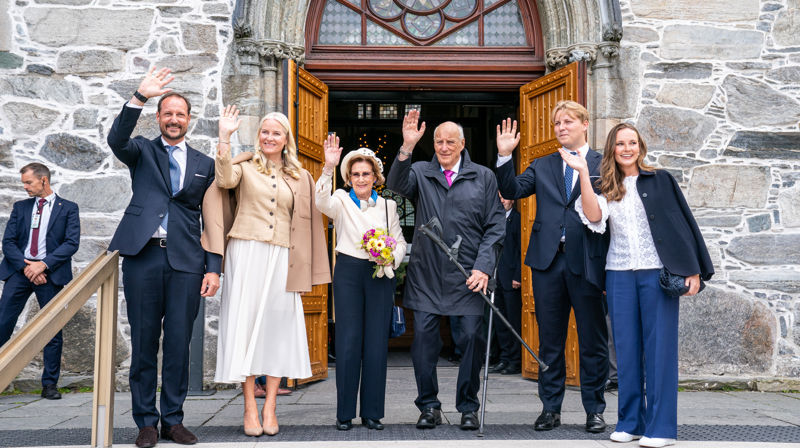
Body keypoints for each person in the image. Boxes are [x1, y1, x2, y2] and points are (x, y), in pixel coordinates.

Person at [567, 123, 713, 448]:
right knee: (626, 351)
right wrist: (582, 173)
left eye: (632, 142)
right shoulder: (604, 185)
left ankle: (661, 428)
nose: (627, 148)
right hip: (618, 274)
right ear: (612, 149)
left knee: (659, 351)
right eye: (620, 143)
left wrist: (692, 270)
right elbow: (593, 217)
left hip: (656, 274)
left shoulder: (660, 180)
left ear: (640, 147)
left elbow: (682, 224)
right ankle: (631, 422)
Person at [107, 66, 221, 448]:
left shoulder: (205, 164)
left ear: (189, 120)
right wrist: (139, 95)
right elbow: (116, 138)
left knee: (178, 344)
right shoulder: (141, 151)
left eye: (180, 114)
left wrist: (214, 268)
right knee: (143, 343)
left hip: (186, 263)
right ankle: (146, 423)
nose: (174, 119)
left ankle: (173, 420)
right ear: (158, 117)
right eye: (168, 113)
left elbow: (211, 219)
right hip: (142, 258)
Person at [211, 106, 330, 437]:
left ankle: (270, 406)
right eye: (265, 131)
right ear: (258, 136)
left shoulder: (300, 176)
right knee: (246, 327)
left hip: (283, 257)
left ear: (286, 139)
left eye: (276, 132)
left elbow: (308, 223)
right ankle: (250, 406)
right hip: (246, 252)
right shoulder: (245, 165)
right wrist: (224, 137)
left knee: (277, 330)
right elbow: (223, 179)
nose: (269, 137)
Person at [495, 100, 610, 433]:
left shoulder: (604, 164)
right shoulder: (542, 164)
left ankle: (594, 410)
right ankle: (550, 408)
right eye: (557, 123)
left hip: (588, 262)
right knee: (550, 341)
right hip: (547, 263)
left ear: (585, 124)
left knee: (592, 340)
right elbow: (512, 189)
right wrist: (505, 156)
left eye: (568, 122)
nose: (561, 127)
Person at [386, 110, 505, 431]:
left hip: (468, 275)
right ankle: (428, 405)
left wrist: (483, 268)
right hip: (427, 274)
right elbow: (395, 185)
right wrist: (407, 146)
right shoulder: (421, 172)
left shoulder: (483, 177)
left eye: (450, 141)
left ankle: (468, 406)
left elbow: (495, 226)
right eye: (438, 141)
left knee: (471, 339)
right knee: (424, 342)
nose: (443, 146)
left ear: (463, 144)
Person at [315, 136, 407, 431]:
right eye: (355, 174)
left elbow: (400, 241)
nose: (361, 179)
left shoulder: (388, 206)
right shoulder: (340, 200)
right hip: (349, 273)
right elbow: (320, 202)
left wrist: (391, 257)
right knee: (348, 342)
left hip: (379, 274)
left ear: (375, 176)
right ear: (349, 177)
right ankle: (344, 414)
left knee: (376, 344)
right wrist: (328, 167)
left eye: (366, 173)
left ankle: (372, 413)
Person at [0, 162, 79, 400]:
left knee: (51, 329)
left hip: (50, 274)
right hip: (20, 272)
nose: (25, 187)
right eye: (24, 183)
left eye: (28, 182)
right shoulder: (21, 207)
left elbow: (71, 243)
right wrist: (28, 267)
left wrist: (43, 265)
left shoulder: (68, 208)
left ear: (43, 180)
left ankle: (50, 384)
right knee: (3, 322)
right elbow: (8, 242)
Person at [488, 192, 522, 375]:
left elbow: (521, 249)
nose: (502, 200)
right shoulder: (495, 220)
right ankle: (504, 358)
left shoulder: (518, 220)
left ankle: (515, 361)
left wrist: (518, 275)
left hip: (511, 279)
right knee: (500, 321)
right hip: (496, 278)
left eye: (505, 197)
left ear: (513, 199)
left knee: (512, 321)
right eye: (499, 197)